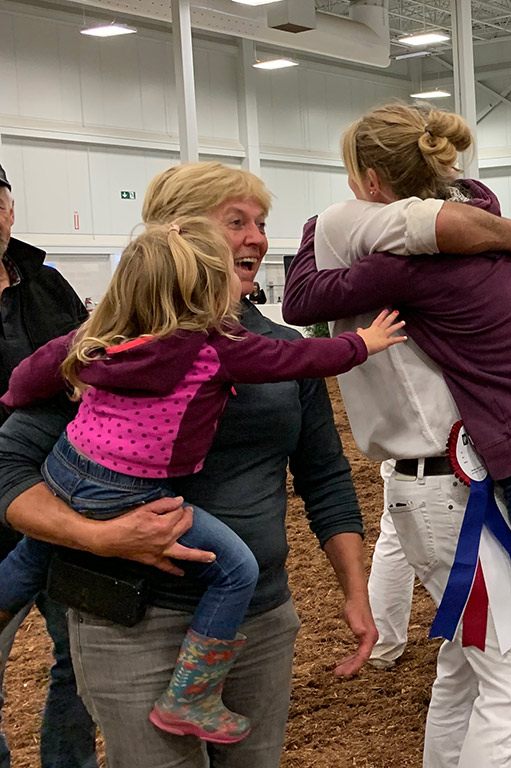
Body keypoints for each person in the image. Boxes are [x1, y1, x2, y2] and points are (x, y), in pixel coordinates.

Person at [283, 103, 511, 768]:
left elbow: (300, 298)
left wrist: (326, 221)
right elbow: (473, 200)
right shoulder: (485, 217)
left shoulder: (400, 270)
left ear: (367, 183)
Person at [0, 161, 378, 768]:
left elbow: (325, 477)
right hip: (132, 618)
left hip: (258, 617)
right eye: (237, 221)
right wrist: (100, 535)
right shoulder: (112, 343)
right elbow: (11, 467)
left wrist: (355, 590)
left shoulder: (282, 352)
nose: (256, 236)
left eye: (261, 222)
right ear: (179, 233)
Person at [312, 108, 511, 767]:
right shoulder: (361, 229)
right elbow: (453, 214)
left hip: (439, 484)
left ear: (367, 177)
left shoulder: (353, 242)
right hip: (449, 485)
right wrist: (506, 232)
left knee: (467, 666)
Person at [0, 163, 97, 768]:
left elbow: (87, 353)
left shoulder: (44, 279)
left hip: (61, 493)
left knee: (80, 656)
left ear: (10, 208)